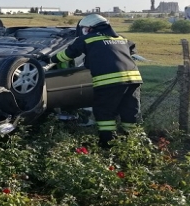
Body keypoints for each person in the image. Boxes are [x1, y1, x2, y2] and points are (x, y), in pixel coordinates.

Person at [50, 14, 143, 148]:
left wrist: (51, 60)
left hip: (109, 81)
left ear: (89, 28)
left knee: (105, 113)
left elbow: (67, 55)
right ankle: (132, 143)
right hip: (133, 79)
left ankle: (107, 144)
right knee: (129, 111)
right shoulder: (122, 38)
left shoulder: (87, 39)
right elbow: (131, 50)